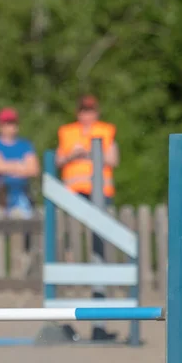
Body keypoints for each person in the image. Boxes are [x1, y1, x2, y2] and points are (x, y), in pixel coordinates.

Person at [55, 95, 119, 341]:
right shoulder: (67, 132)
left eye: (91, 110)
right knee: (68, 252)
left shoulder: (106, 131)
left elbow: (113, 159)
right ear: (78, 112)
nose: (87, 115)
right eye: (83, 110)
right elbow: (58, 159)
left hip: (99, 197)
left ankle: (98, 324)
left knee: (98, 256)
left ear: (97, 112)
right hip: (73, 198)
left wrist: (92, 154)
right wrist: (73, 155)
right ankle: (65, 321)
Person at [0, 107, 39, 272]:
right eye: (6, 123)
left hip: (22, 196)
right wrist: (20, 165)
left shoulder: (25, 145)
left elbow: (34, 169)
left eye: (12, 123)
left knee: (26, 234)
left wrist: (8, 166)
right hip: (1, 195)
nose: (9, 127)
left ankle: (25, 270)